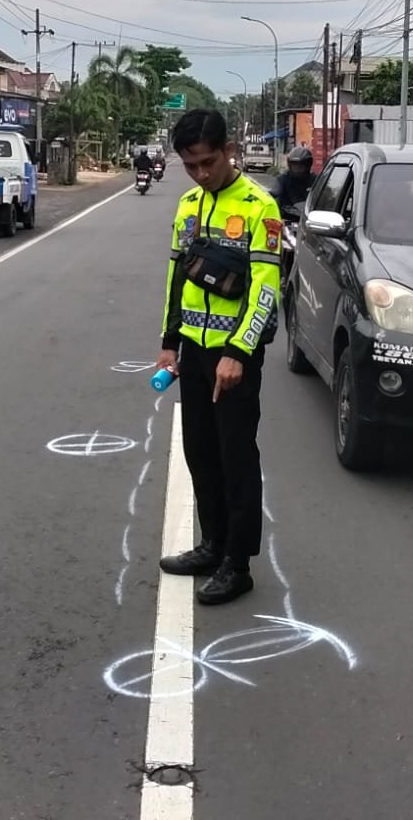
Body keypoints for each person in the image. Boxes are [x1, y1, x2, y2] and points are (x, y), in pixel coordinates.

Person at [155, 109, 282, 606]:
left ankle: (237, 563)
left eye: (208, 162)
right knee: (200, 453)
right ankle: (211, 545)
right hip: (194, 350)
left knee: (236, 458)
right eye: (191, 165)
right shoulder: (188, 205)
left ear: (229, 150)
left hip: (236, 358)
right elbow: (176, 277)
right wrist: (170, 342)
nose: (201, 174)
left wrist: (238, 352)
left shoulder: (258, 207)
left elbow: (266, 289)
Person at [272, 145, 316, 215]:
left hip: (309, 217)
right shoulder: (282, 180)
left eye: (301, 165)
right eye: (294, 165)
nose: (297, 168)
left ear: (308, 165)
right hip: (287, 218)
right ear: (290, 165)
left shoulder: (315, 181)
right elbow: (273, 195)